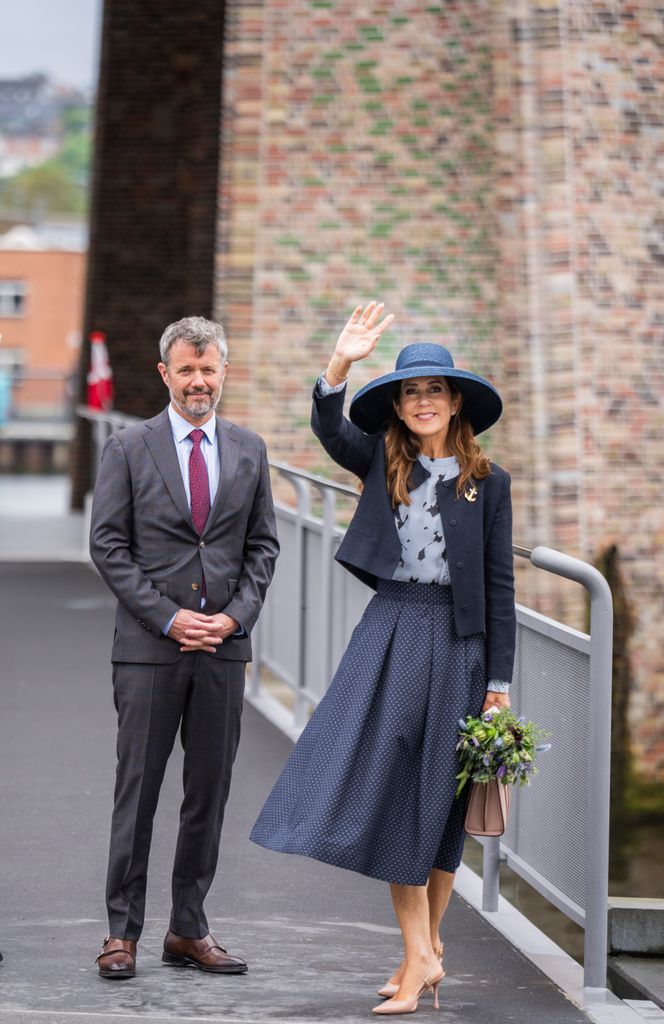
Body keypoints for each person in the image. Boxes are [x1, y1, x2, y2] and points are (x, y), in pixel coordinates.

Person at [251, 302, 515, 1015]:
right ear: (396, 407)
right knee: (392, 790)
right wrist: (341, 361)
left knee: (440, 802)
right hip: (392, 631)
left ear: (455, 401)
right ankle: (420, 954)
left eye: (433, 390)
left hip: (459, 649)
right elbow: (328, 424)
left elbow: (498, 588)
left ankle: (422, 957)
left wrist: (498, 683)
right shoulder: (381, 457)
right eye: (409, 392)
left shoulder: (487, 483)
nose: (421, 401)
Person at [90, 316, 279, 979]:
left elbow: (263, 548)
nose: (199, 381)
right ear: (166, 374)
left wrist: (233, 619)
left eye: (209, 369)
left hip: (222, 652)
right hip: (149, 650)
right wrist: (169, 618)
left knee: (209, 792)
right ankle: (122, 933)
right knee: (136, 792)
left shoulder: (249, 450)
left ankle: (188, 930)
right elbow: (107, 545)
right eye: (187, 370)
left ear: (223, 372)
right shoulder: (127, 448)